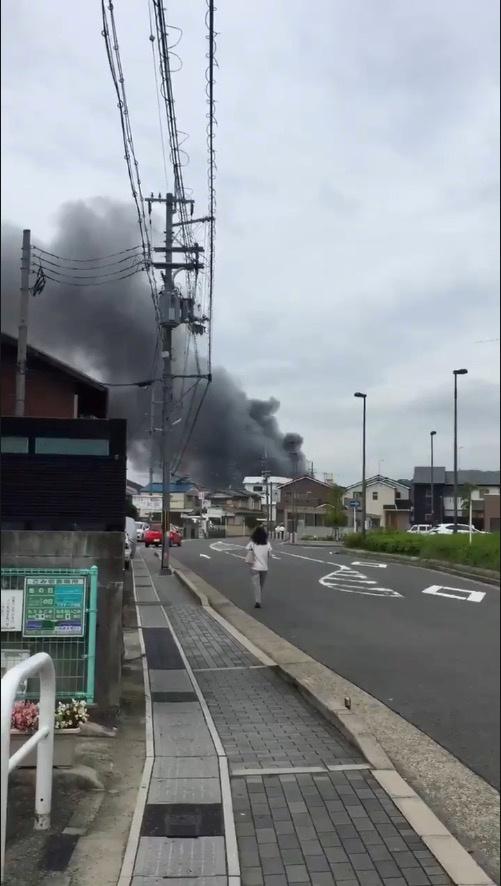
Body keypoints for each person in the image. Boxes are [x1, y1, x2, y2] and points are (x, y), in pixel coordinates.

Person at [246, 526, 272, 609]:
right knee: (260, 585)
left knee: (256, 585)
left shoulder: (252, 543)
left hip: (254, 567)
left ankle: (258, 601)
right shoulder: (267, 543)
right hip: (264, 568)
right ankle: (258, 600)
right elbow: (270, 555)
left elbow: (249, 552)